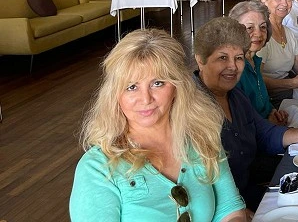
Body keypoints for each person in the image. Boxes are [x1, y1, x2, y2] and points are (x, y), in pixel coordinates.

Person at [70, 29, 246, 222]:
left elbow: (229, 209)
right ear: (115, 95)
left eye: (158, 83)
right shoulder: (97, 168)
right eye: (131, 87)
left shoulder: (201, 138)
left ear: (178, 86)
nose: (145, 99)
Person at [194, 17, 298, 215]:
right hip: (226, 209)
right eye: (222, 58)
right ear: (200, 60)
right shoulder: (190, 107)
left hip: (251, 189)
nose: (233, 66)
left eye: (238, 58)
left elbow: (264, 133)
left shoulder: (235, 95)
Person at [228, 0, 289, 127]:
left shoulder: (254, 60)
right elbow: (240, 120)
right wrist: (268, 123)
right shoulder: (234, 70)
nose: (258, 34)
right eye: (250, 28)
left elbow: (262, 101)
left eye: (263, 27)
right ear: (234, 31)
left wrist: (273, 111)